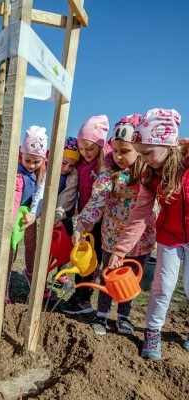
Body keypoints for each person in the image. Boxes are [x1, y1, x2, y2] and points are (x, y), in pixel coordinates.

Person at [109, 108, 189, 360]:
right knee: (162, 287)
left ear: (165, 144)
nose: (142, 159)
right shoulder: (150, 175)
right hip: (169, 237)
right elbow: (140, 214)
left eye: (146, 153)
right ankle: (153, 331)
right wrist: (120, 250)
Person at [73, 114, 156, 336]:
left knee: (129, 278)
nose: (118, 156)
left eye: (125, 151)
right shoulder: (109, 173)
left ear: (138, 148)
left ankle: (124, 316)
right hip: (111, 236)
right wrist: (83, 222)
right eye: (115, 150)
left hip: (141, 240)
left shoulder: (148, 174)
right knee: (108, 275)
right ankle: (102, 314)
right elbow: (97, 199)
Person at [60, 115, 109, 314]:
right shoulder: (80, 165)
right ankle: (78, 294)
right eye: (82, 149)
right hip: (84, 218)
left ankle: (84, 299)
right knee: (80, 256)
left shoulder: (106, 164)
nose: (85, 153)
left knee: (91, 260)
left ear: (101, 144)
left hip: (102, 221)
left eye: (90, 148)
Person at [9, 125, 48, 303]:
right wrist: (10, 218)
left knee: (32, 245)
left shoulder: (42, 172)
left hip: (29, 213)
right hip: (14, 211)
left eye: (36, 161)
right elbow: (15, 195)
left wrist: (33, 214)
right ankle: (4, 282)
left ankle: (31, 274)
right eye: (28, 160)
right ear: (20, 155)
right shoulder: (16, 171)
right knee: (10, 247)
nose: (32, 165)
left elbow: (40, 194)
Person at [52, 136, 80, 290]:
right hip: (50, 215)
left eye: (71, 165)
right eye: (64, 163)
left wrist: (59, 215)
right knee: (49, 246)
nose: (66, 168)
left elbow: (67, 196)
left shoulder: (72, 175)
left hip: (65, 213)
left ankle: (62, 274)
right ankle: (40, 273)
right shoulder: (49, 169)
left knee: (67, 245)